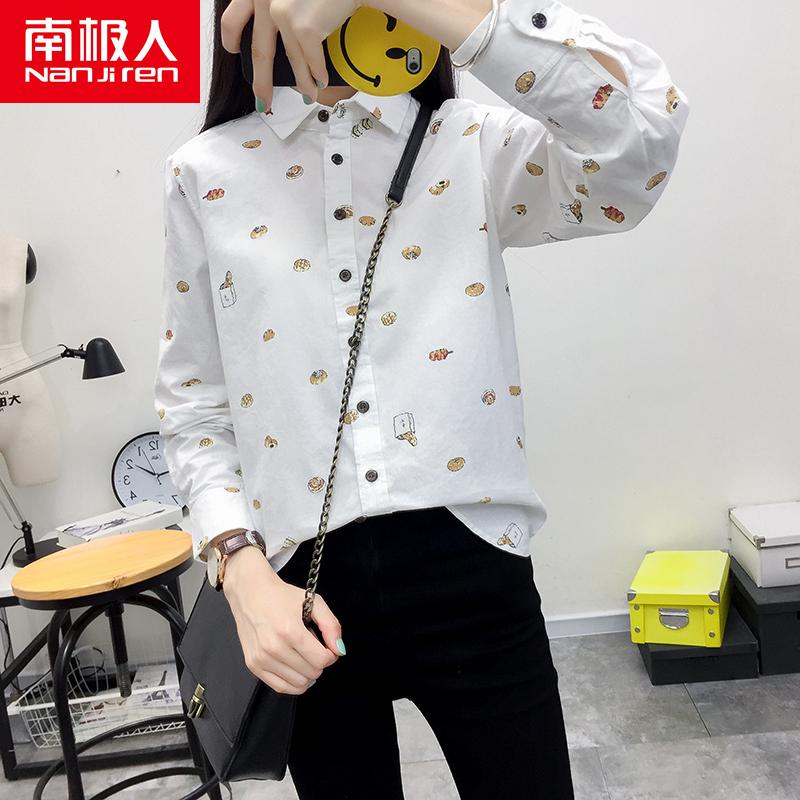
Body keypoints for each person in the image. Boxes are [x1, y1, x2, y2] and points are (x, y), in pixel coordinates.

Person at [153, 0, 689, 797]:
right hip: (302, 596)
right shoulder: (205, 173)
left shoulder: (468, 142)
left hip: (475, 571)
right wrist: (242, 571)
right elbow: (194, 404)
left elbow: (639, 139)